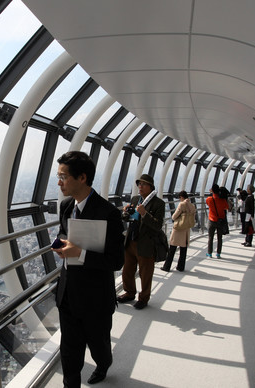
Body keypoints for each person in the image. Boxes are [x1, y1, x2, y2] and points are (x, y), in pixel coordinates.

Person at [51, 151, 124, 387]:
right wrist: (62, 245)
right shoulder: (65, 206)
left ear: (82, 178)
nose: (59, 182)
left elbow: (116, 261)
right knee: (69, 354)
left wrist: (79, 253)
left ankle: (103, 364)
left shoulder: (108, 213)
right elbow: (64, 233)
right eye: (58, 176)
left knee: (99, 346)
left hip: (95, 298)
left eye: (63, 176)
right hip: (69, 295)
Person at [117, 174, 165, 310]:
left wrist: (145, 214)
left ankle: (143, 298)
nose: (140, 187)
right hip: (131, 240)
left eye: (143, 184)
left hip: (146, 243)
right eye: (139, 184)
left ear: (151, 187)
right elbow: (129, 218)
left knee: (145, 273)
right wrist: (126, 213)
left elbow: (157, 225)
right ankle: (129, 292)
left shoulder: (158, 204)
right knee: (127, 270)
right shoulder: (135, 199)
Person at [161, 191, 195, 272]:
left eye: (179, 197)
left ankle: (167, 267)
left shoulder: (182, 204)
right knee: (183, 249)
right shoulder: (192, 205)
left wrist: (174, 217)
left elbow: (174, 216)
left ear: (181, 197)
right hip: (186, 229)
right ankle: (180, 267)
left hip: (179, 228)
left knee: (172, 248)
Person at [205, 183, 229, 258]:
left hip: (212, 220)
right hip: (220, 221)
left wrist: (211, 193)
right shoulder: (222, 200)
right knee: (219, 238)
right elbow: (226, 207)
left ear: (212, 190)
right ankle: (218, 253)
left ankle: (209, 253)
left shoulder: (209, 199)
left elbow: (207, 203)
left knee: (210, 238)